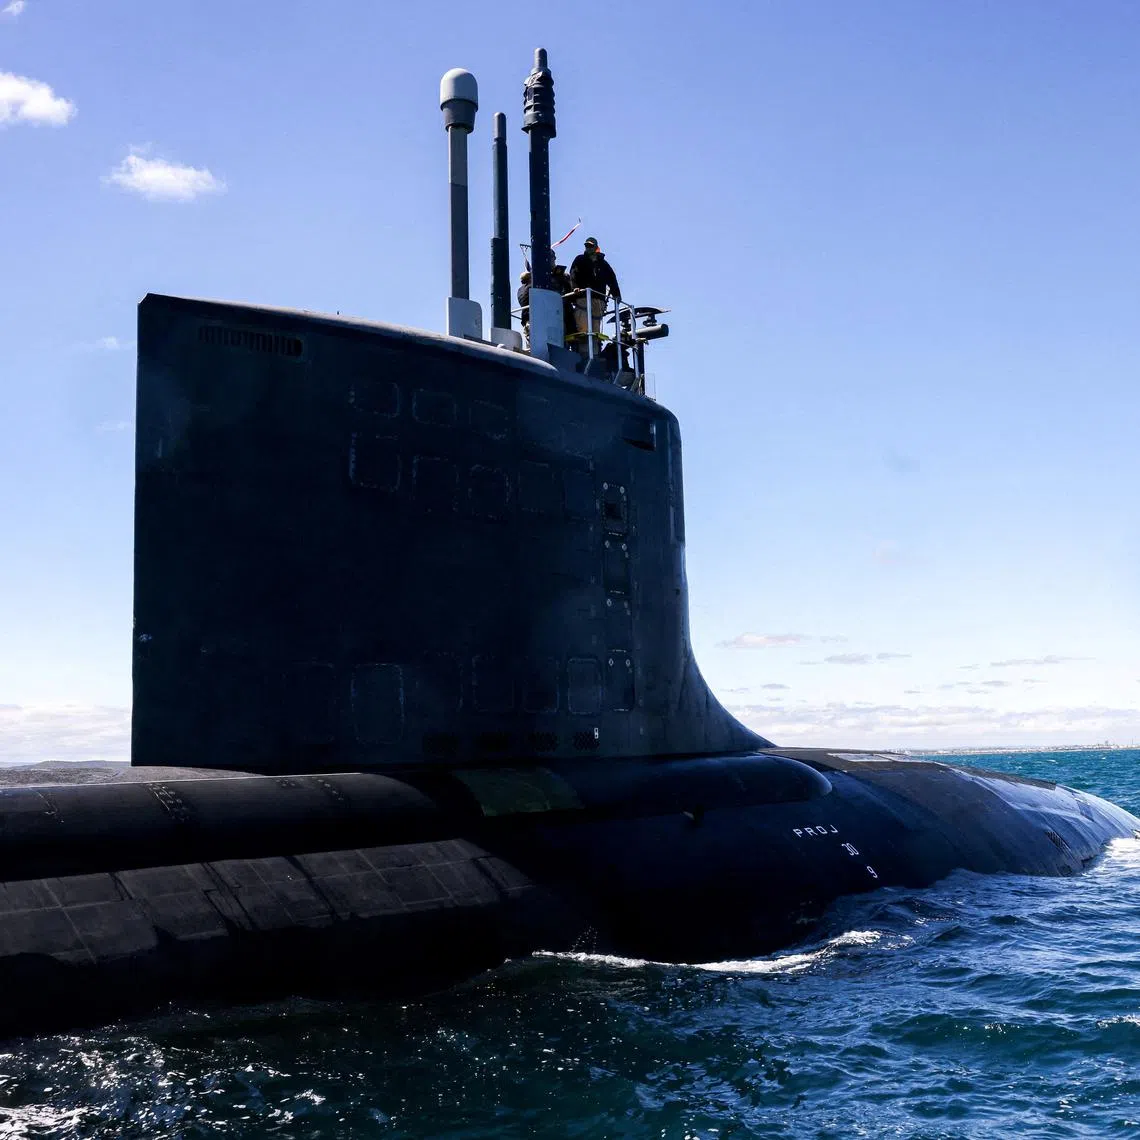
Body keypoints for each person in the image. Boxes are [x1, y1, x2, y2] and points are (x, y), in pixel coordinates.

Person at [569, 237, 621, 354]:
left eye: (590, 246)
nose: (588, 248)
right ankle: (584, 353)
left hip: (598, 299)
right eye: (586, 246)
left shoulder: (603, 263)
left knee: (596, 328)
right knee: (583, 326)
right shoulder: (580, 260)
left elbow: (612, 279)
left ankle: (595, 352)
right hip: (583, 297)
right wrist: (574, 288)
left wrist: (616, 294)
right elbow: (573, 274)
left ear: (596, 247)